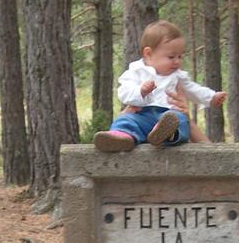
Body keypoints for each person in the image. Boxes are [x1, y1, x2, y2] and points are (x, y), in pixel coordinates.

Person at [93, 20, 226, 152]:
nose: (177, 61)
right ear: (149, 54)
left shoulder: (178, 76)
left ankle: (165, 134)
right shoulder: (137, 71)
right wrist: (141, 92)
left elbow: (194, 90)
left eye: (180, 56)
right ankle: (122, 138)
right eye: (171, 56)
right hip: (142, 114)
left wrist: (211, 97)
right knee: (126, 119)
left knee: (179, 120)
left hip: (169, 114)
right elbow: (124, 91)